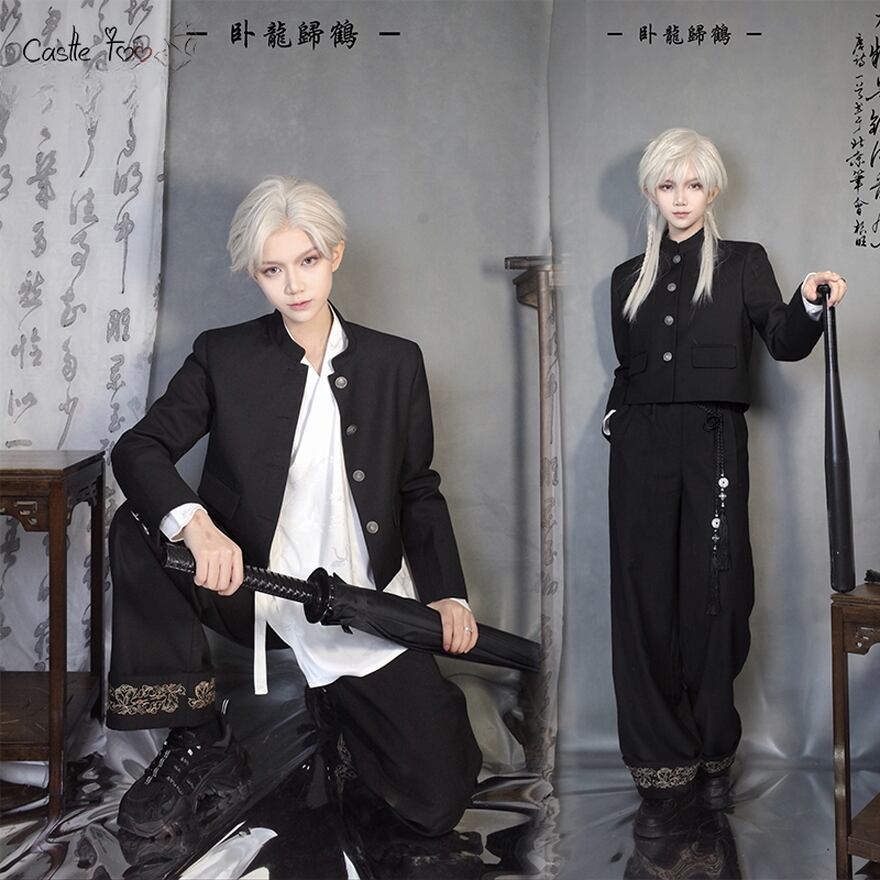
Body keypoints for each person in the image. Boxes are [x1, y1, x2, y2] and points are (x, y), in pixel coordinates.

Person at [107, 176, 482, 842]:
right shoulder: (223, 355)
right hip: (248, 585)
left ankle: (343, 719)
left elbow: (418, 490)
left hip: (360, 600)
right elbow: (140, 449)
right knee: (138, 523)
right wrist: (199, 527)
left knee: (437, 798)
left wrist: (448, 595)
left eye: (307, 260)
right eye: (272, 270)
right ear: (255, 274)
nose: (293, 284)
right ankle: (198, 734)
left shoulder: (396, 362)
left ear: (334, 253)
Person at [603, 129, 847, 837]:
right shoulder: (626, 277)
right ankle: (659, 765)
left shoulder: (744, 263)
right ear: (650, 191)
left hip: (713, 441)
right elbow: (628, 365)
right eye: (667, 185)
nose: (681, 199)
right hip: (641, 448)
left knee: (716, 593)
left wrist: (808, 301)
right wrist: (619, 418)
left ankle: (713, 751)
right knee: (644, 597)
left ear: (712, 190)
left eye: (693, 184)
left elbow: (785, 340)